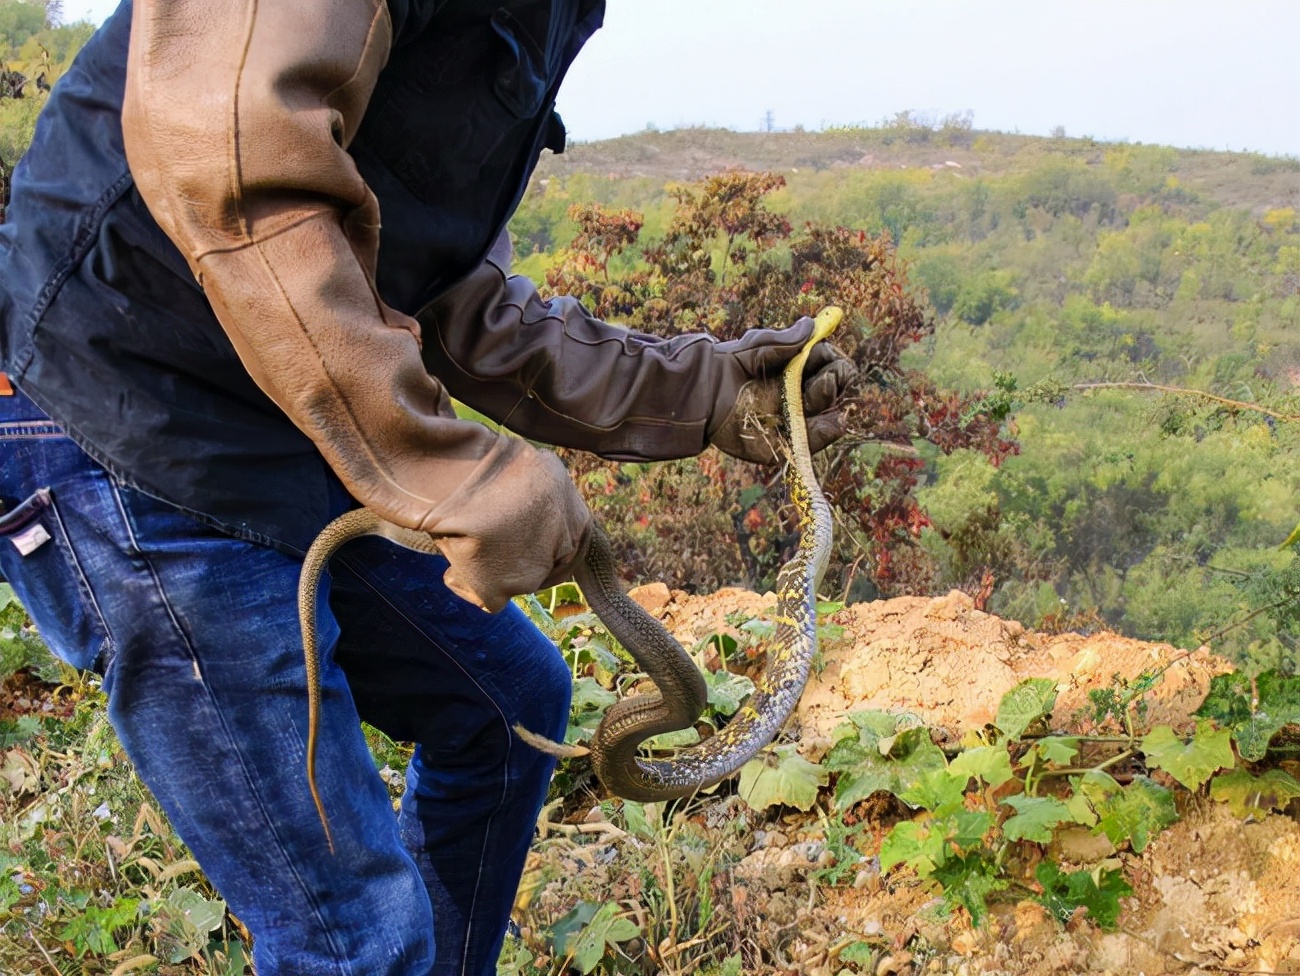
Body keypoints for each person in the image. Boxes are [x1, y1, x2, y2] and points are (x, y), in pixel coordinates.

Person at [0, 1, 853, 973]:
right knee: (352, 935)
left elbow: (448, 292)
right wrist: (445, 469)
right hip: (110, 403)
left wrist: (700, 389)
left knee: (503, 706)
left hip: (268, 420)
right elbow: (234, 172)